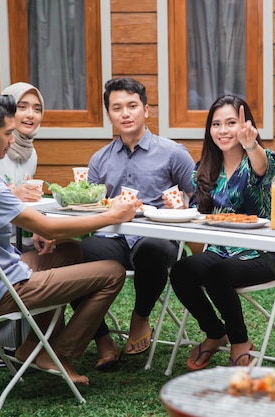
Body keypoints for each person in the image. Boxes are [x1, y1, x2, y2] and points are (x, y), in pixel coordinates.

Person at [0, 90, 139, 385]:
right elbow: (50, 228)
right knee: (112, 271)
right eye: (7, 133)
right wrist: (114, 216)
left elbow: (33, 224)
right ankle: (58, 351)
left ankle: (34, 344)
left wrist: (40, 227)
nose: (12, 139)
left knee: (69, 252)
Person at [78, 78, 196, 367]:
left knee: (151, 249)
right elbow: (92, 205)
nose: (125, 114)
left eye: (132, 106)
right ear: (109, 115)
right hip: (114, 239)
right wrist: (109, 206)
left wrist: (183, 203)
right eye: (117, 108)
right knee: (75, 256)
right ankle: (102, 338)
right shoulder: (99, 159)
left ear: (146, 109)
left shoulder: (173, 153)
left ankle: (140, 316)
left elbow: (198, 196)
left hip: (157, 240)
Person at [168, 95, 275, 370]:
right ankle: (216, 333)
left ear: (247, 126)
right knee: (181, 271)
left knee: (217, 273)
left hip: (261, 254)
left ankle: (240, 342)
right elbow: (199, 214)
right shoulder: (204, 169)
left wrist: (250, 144)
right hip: (220, 251)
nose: (223, 130)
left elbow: (261, 169)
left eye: (231, 123)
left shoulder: (261, 159)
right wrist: (180, 208)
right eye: (216, 124)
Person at [0, 82, 45, 368]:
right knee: (13, 265)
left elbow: (23, 199)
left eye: (37, 108)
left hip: (16, 230)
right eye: (21, 107)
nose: (30, 114)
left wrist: (38, 223)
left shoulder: (30, 152)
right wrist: (14, 195)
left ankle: (27, 341)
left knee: (44, 256)